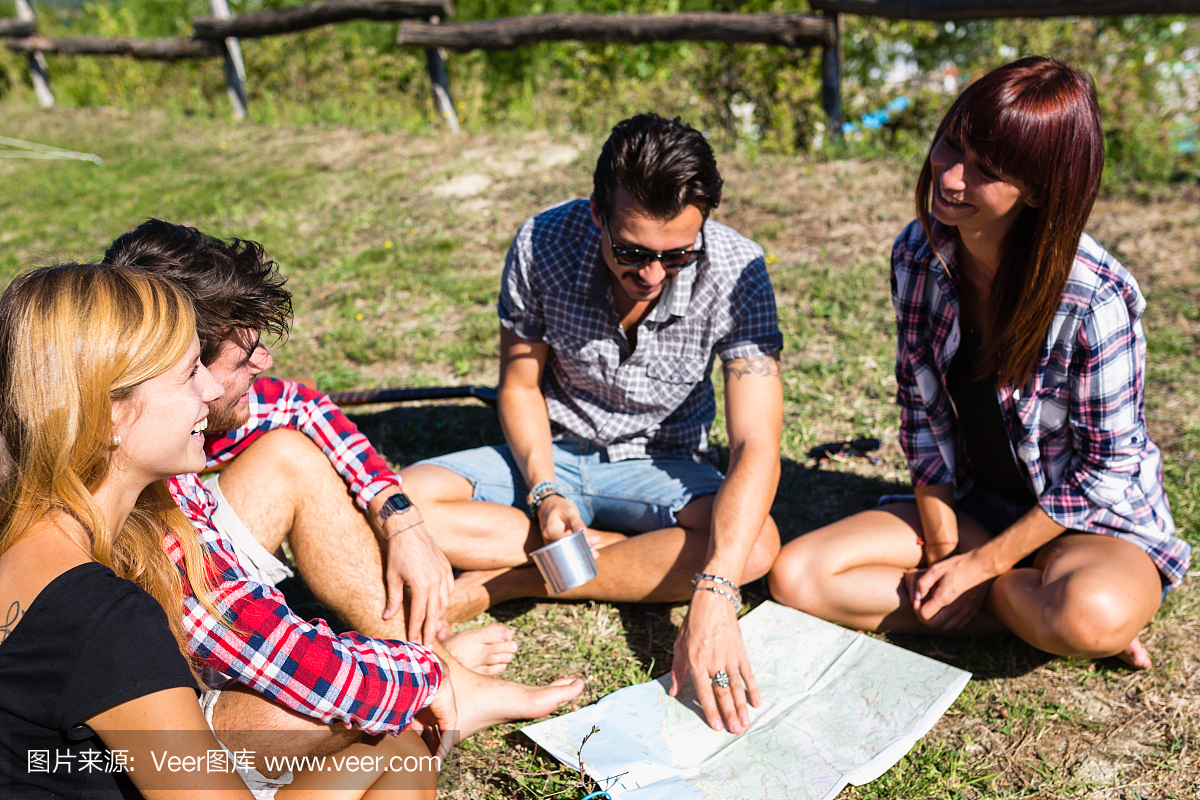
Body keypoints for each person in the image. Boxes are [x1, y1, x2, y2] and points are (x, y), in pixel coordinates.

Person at [102, 221, 583, 793]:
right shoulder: (149, 512)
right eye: (243, 354)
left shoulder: (139, 432)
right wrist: (427, 675)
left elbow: (301, 405)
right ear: (184, 373)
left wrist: (400, 516)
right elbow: (287, 654)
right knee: (392, 739)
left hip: (172, 678)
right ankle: (448, 686)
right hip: (156, 749)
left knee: (288, 455)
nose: (266, 361)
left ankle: (439, 678)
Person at [768, 57, 1190, 669]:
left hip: (1088, 527)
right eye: (950, 145)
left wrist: (983, 567)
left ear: (1040, 190)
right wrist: (947, 549)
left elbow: (1109, 467)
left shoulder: (1095, 296)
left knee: (1088, 612)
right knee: (798, 576)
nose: (952, 176)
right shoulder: (919, 254)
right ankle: (1034, 613)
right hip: (973, 508)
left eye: (986, 170)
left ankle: (1063, 610)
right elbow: (921, 412)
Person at [401, 113, 784, 735]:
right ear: (596, 214)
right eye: (632, 251)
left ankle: (520, 577)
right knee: (404, 502)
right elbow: (521, 384)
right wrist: (545, 489)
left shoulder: (740, 269)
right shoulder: (541, 242)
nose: (653, 274)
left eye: (678, 255)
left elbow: (757, 442)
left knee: (756, 544)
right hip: (551, 450)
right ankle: (623, 558)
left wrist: (715, 590)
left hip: (663, 465)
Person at [0, 264, 436, 799]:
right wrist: (431, 670)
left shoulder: (37, 537)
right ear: (110, 414)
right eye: (188, 373)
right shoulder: (107, 619)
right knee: (396, 754)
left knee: (397, 755)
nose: (211, 388)